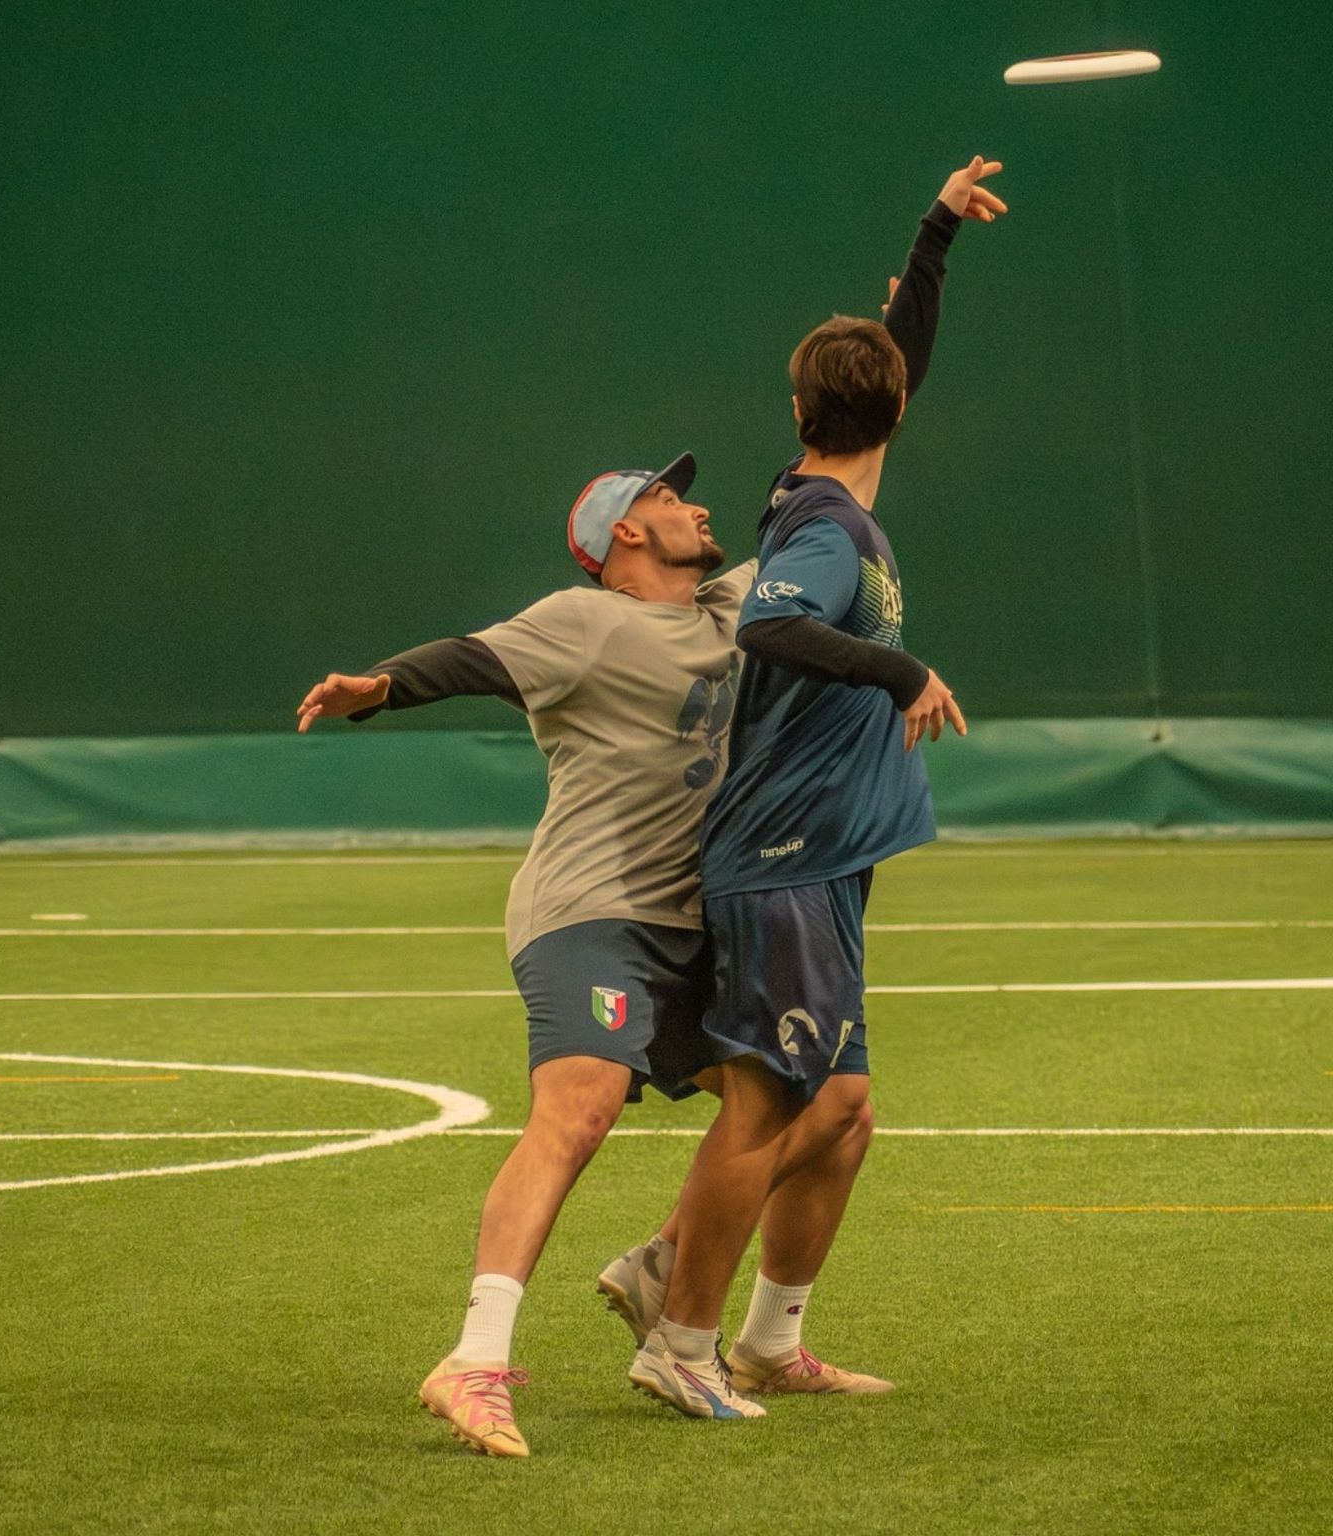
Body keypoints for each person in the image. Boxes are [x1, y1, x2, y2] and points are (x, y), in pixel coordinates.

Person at [294, 456, 873, 1453]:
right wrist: (380, 688)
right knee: (582, 1103)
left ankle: (735, 1318)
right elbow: (469, 658)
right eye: (665, 499)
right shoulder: (583, 620)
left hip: (705, 919)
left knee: (832, 1105)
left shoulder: (741, 604)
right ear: (626, 536)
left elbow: (849, 487)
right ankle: (473, 1361)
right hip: (592, 910)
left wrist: (903, 344)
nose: (695, 505)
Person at [619, 155, 1005, 1419]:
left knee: (843, 1112)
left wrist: (935, 237)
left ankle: (767, 1339)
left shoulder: (836, 483)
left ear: (806, 408)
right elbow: (773, 630)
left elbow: (890, 368)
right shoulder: (828, 533)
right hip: (780, 852)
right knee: (775, 1104)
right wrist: (899, 671)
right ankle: (675, 1331)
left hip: (825, 856)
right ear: (885, 413)